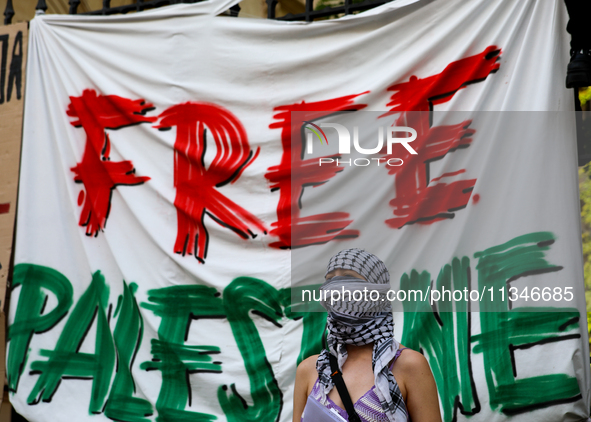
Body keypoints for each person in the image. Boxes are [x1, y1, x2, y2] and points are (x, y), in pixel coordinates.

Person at [293, 248, 442, 422]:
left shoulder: (409, 365)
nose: (337, 287)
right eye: (330, 279)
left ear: (378, 291)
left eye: (349, 277)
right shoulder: (310, 369)